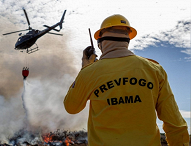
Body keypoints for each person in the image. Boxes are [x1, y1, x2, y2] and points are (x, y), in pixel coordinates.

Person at [63, 14, 189, 146]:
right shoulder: (155, 70)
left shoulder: (89, 72)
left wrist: (85, 68)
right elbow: (175, 124)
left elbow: (71, 107)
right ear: (127, 40)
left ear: (101, 43)